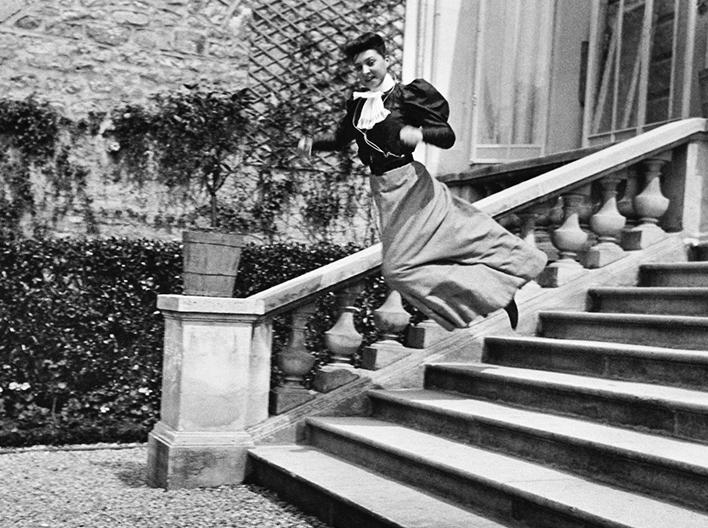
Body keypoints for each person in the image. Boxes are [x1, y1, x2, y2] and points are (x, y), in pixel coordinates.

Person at [297, 32, 547, 330]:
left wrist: (420, 134)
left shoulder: (408, 96)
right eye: (359, 67)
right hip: (383, 190)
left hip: (410, 184)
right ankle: (492, 293)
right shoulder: (359, 105)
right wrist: (312, 143)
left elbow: (447, 135)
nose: (365, 71)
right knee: (411, 264)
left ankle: (499, 286)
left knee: (402, 267)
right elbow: (341, 140)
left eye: (370, 62)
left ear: (386, 60)